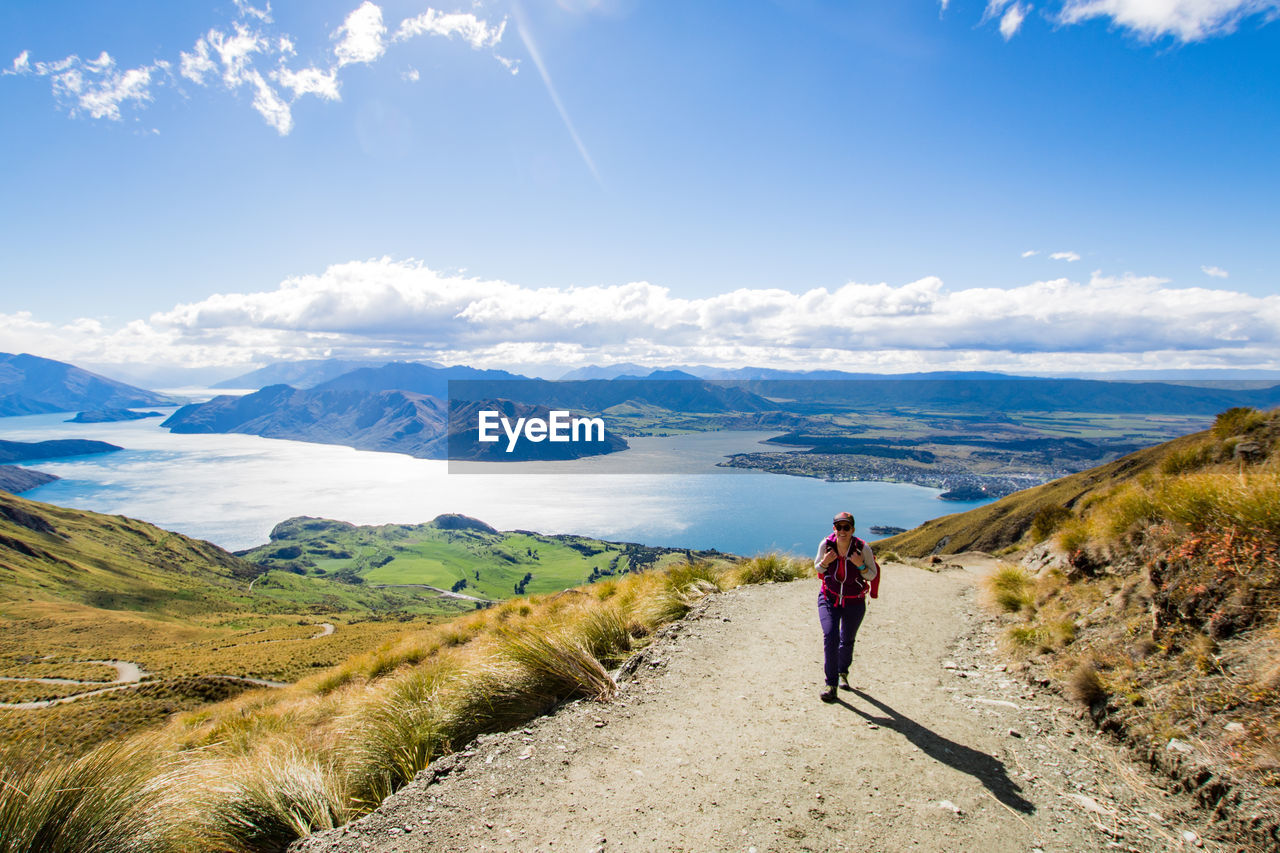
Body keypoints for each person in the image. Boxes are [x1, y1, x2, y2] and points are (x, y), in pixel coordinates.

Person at [814, 511, 879, 702]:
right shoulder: (826, 544)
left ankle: (843, 672)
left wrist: (860, 565)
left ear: (852, 529)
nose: (842, 531)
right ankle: (831, 684)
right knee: (830, 636)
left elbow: (872, 575)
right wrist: (825, 562)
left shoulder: (862, 548)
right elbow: (818, 567)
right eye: (839, 527)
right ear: (834, 528)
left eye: (846, 527)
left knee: (847, 640)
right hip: (829, 598)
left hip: (854, 601)